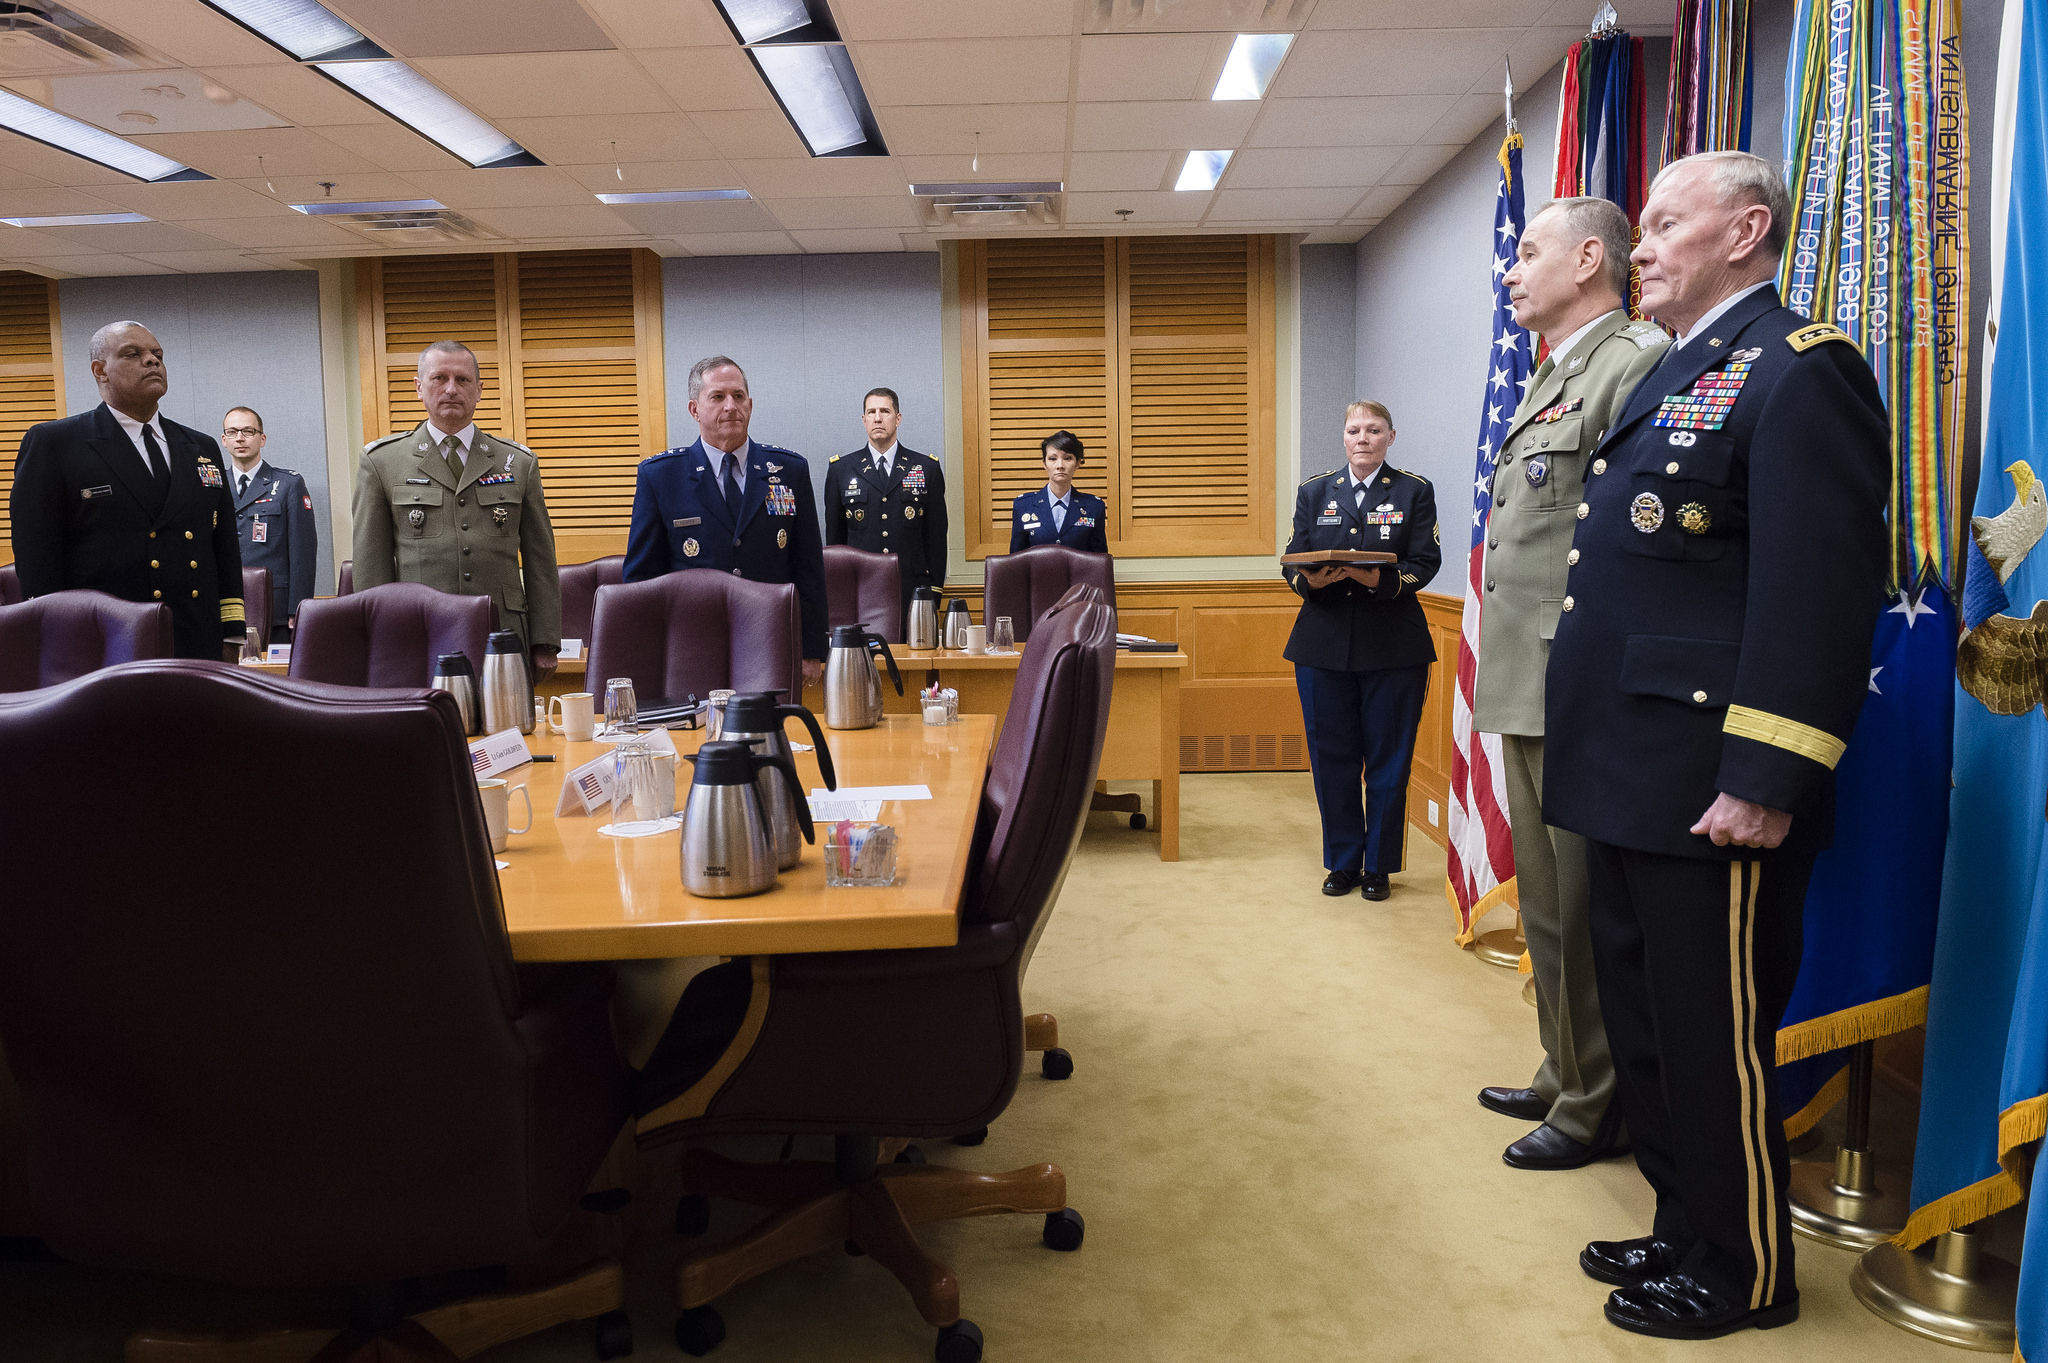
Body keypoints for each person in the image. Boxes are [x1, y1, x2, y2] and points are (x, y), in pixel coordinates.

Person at [1544, 150, 1888, 1339]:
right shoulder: (1683, 369)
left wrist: (1766, 774)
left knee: (1711, 1030)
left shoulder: (1801, 372)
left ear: (1746, 232)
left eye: (1661, 225)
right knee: (1643, 1018)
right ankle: (1685, 1221)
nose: (1637, 247)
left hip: (1710, 775)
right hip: (1627, 761)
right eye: (1636, 228)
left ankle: (1745, 1269)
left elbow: (1815, 594)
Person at [1474, 198, 1670, 1173]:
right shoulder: (1553, 372)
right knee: (1544, 900)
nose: (1510, 271)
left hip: (1574, 682)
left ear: (1589, 258)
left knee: (1584, 901)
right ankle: (1562, 1066)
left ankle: (1595, 1102)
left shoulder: (1627, 358)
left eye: (1526, 252)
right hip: (1523, 676)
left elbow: (1617, 542)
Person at [7, 321, 244, 661]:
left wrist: (231, 631)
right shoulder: (56, 444)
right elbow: (37, 556)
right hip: (104, 640)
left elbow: (223, 548)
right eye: (133, 354)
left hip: (195, 636)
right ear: (99, 370)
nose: (152, 361)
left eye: (157, 354)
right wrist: (56, 640)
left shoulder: (198, 447)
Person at [1282, 401, 1440, 901]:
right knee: (1333, 760)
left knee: (1390, 761)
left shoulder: (1415, 490)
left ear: (1391, 436)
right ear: (1343, 437)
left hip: (1394, 646)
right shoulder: (1314, 491)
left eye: (1373, 430)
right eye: (1354, 430)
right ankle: (1344, 861)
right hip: (1322, 645)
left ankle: (1379, 866)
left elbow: (1426, 561)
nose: (1362, 438)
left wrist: (1381, 579)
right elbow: (1291, 560)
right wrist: (1312, 580)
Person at [352, 340, 562, 679]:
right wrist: (378, 642)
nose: (451, 389)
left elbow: (540, 560)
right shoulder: (381, 463)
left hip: (502, 633)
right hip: (416, 634)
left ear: (479, 390)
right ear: (419, 388)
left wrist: (546, 641)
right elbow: (371, 565)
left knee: (506, 729)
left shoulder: (518, 463)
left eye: (463, 380)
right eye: (439, 378)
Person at [623, 355, 828, 685]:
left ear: (751, 404)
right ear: (694, 410)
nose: (730, 406)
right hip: (690, 647)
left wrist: (812, 650)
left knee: (770, 735)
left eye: (738, 396)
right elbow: (641, 580)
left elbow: (808, 569)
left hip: (770, 643)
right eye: (717, 397)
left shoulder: (790, 470)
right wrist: (646, 656)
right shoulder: (661, 477)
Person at [825, 388, 948, 617]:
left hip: (913, 593)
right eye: (871, 412)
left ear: (898, 418)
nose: (878, 418)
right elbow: (835, 544)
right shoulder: (840, 470)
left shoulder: (925, 468)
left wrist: (934, 593)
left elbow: (936, 539)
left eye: (885, 411)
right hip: (860, 593)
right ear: (863, 420)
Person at [222, 405, 317, 645]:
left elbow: (302, 552)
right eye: (232, 432)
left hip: (276, 611)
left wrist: (298, 607)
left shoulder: (287, 484)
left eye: (248, 431)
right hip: (226, 608)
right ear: (224, 440)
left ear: (262, 439)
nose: (240, 438)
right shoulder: (214, 486)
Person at [1009, 431, 1107, 553]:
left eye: (1067, 458)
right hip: (1038, 572)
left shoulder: (1094, 507)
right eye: (1053, 459)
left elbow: (1100, 562)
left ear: (1077, 463)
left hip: (1079, 572)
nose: (1060, 465)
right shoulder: (1023, 505)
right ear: (1044, 463)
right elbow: (1015, 561)